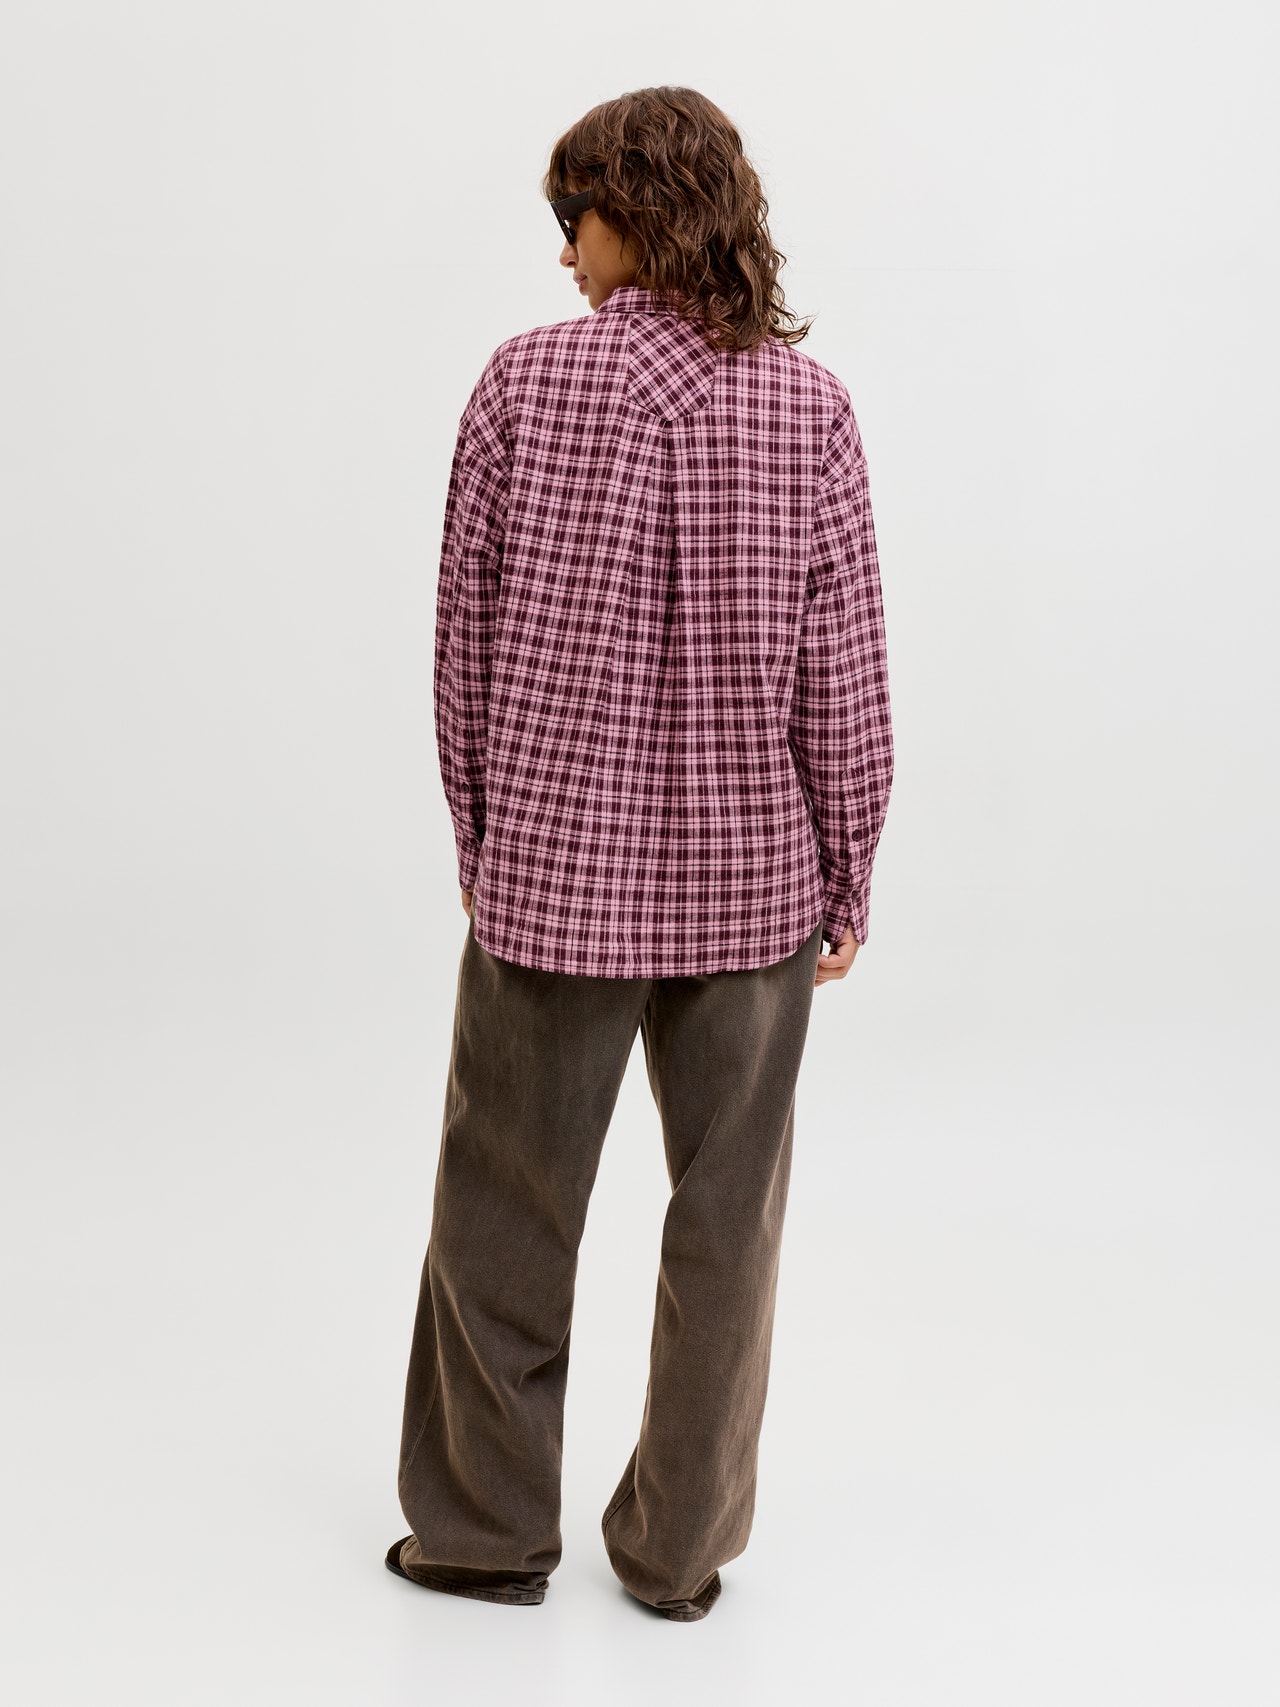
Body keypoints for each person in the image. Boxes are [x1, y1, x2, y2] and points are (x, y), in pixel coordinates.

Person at [385, 85, 895, 1622]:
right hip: (754, 888)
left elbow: (464, 647)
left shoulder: (521, 388)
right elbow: (844, 675)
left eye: (574, 217)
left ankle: (482, 1534)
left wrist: (483, 833)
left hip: (552, 883)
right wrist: (848, 870)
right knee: (727, 1228)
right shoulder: (811, 411)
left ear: (644, 210)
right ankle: (678, 1556)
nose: (563, 254)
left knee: (503, 1211)